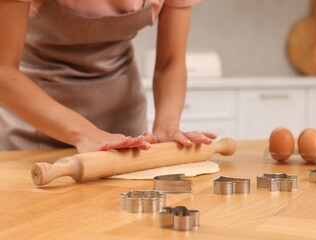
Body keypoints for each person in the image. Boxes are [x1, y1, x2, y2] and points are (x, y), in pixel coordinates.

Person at [0, 0, 217, 153]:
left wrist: (167, 126)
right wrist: (83, 132)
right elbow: (3, 69)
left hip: (123, 127)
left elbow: (170, 62)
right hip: (34, 125)